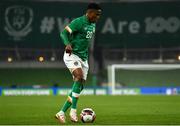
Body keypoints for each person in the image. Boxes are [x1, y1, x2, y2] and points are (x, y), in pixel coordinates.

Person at [55, 3, 102, 123]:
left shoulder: (92, 25)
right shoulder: (78, 22)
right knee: (79, 77)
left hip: (83, 58)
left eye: (99, 15)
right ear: (90, 12)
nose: (98, 18)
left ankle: (61, 112)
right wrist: (67, 44)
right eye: (96, 15)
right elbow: (63, 33)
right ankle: (73, 111)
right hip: (72, 55)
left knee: (79, 87)